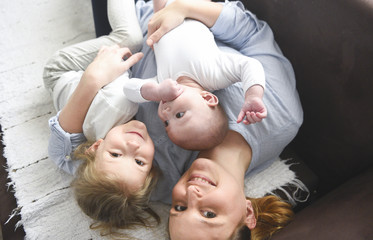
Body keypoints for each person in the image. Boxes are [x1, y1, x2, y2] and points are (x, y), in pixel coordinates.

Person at [43, 0, 160, 236]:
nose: (135, 145)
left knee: (130, 38)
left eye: (116, 154)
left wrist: (95, 77)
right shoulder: (146, 139)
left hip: (63, 72)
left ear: (95, 146)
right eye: (140, 162)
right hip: (100, 80)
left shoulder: (68, 155)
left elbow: (96, 77)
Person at [122, 0, 267, 150]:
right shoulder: (215, 75)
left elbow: (127, 89)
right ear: (207, 98)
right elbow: (249, 65)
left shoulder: (162, 83)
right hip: (193, 7)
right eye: (179, 115)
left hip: (160, 14)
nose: (165, 114)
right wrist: (253, 96)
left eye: (166, 123)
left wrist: (154, 92)